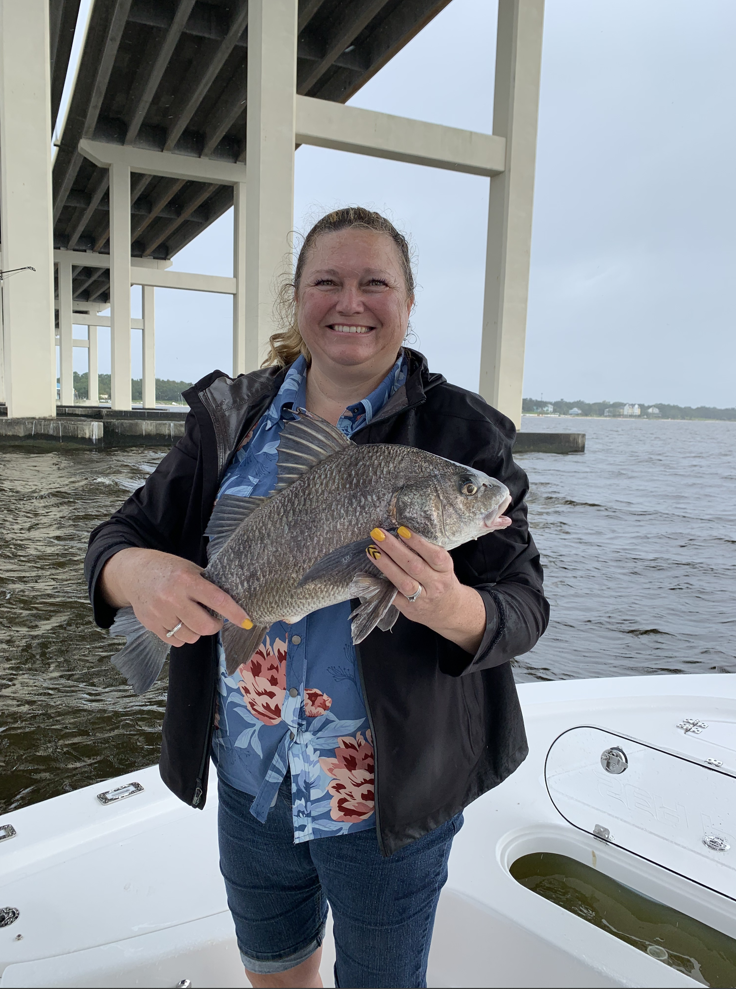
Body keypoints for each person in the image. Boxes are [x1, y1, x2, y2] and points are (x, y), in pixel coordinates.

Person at [85, 207, 549, 989]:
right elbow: (116, 536)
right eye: (326, 282)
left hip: (383, 808)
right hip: (250, 781)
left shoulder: (464, 435)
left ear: (408, 300)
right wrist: (142, 578)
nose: (351, 302)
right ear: (296, 298)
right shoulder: (232, 416)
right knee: (273, 972)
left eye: (376, 283)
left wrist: (449, 605)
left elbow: (524, 605)